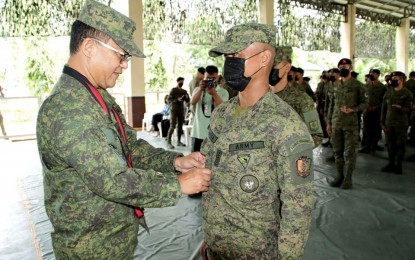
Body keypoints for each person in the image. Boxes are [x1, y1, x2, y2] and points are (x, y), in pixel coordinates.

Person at [35, 1, 211, 258]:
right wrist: (177, 185)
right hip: (91, 250)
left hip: (112, 242)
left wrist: (175, 161)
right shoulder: (68, 108)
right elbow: (112, 179)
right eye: (121, 55)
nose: (125, 64)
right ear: (89, 48)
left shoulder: (96, 97)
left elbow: (130, 148)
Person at [200, 23, 314, 259]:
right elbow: (211, 175)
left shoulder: (286, 124)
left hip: (256, 251)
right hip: (216, 246)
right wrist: (210, 238)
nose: (229, 62)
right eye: (227, 56)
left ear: (264, 59)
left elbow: (298, 206)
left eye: (237, 55)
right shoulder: (222, 114)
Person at [327, 58, 367, 189]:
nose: (343, 69)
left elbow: (364, 103)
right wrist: (329, 122)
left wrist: (354, 109)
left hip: (350, 124)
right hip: (337, 122)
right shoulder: (336, 85)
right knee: (337, 151)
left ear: (350, 68)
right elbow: (332, 105)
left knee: (349, 152)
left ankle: (348, 178)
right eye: (340, 67)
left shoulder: (358, 85)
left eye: (345, 67)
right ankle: (339, 176)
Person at [271, 61, 323, 148]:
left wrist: (292, 150)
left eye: (274, 66)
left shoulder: (301, 99)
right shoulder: (254, 98)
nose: (269, 70)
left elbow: (316, 136)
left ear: (287, 68)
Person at [190, 65, 228, 152]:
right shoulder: (198, 89)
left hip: (214, 135)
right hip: (198, 133)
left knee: (211, 163)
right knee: (195, 162)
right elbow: (192, 102)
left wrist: (214, 94)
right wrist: (200, 89)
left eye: (213, 78)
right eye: (208, 78)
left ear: (217, 78)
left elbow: (224, 109)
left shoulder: (223, 92)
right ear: (204, 77)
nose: (210, 80)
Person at [381, 71, 413, 174]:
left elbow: (409, 109)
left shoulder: (407, 93)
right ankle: (391, 163)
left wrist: (401, 108)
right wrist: (382, 122)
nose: (394, 80)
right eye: (393, 78)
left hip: (401, 124)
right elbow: (383, 108)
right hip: (389, 122)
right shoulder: (388, 92)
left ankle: (398, 166)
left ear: (402, 80)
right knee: (390, 144)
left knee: (400, 144)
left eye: (396, 78)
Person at [359, 69, 387, 154]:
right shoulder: (366, 85)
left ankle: (373, 146)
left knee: (376, 129)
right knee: (366, 129)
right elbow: (362, 98)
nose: (372, 75)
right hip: (367, 111)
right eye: (371, 73)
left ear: (378, 75)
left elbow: (384, 100)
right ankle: (366, 146)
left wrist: (376, 107)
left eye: (374, 74)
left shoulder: (382, 87)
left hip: (377, 111)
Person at [167, 77, 190, 149]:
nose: (181, 83)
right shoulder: (173, 90)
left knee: (180, 126)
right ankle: (168, 142)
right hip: (174, 109)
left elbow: (188, 100)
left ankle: (179, 141)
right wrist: (177, 100)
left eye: (182, 81)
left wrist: (186, 98)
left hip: (181, 110)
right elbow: (169, 100)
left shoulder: (184, 91)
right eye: (180, 81)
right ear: (177, 82)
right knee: (172, 126)